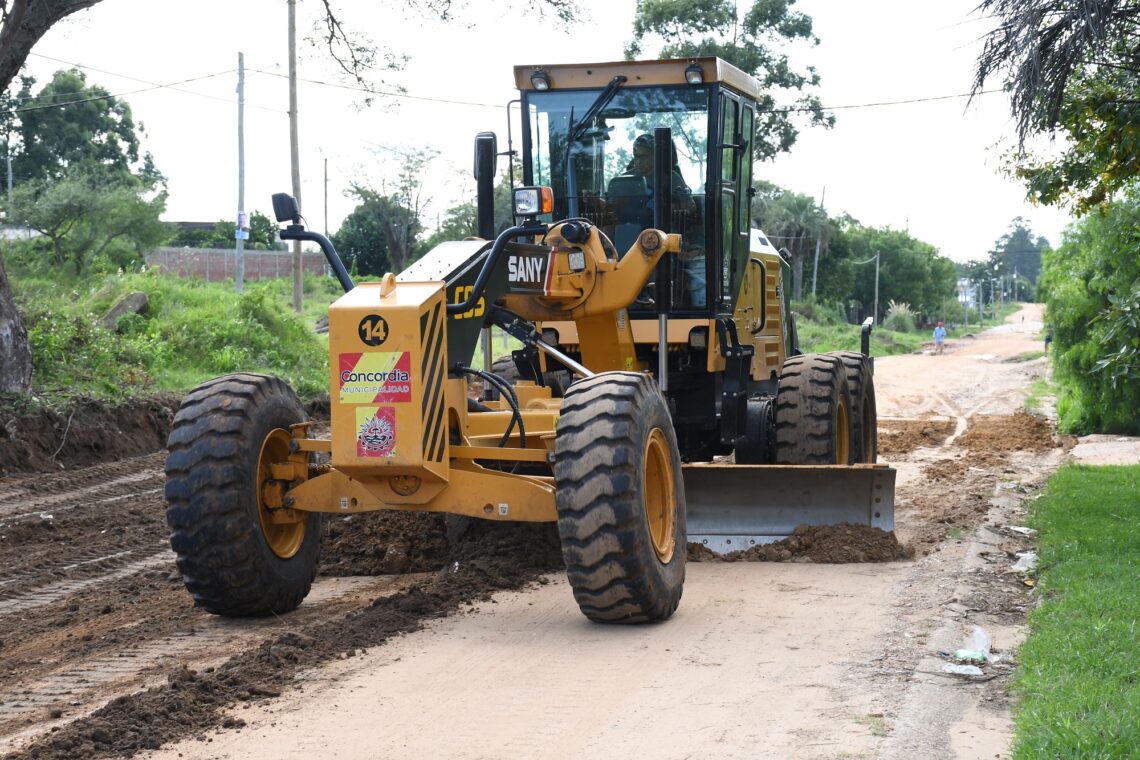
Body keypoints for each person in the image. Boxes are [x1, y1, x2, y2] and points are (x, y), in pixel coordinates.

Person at [617, 133, 703, 307]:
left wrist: (670, 204)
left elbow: (690, 208)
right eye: (636, 157)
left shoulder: (671, 178)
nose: (638, 162)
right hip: (629, 241)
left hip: (665, 239)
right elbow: (612, 212)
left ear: (655, 156)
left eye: (643, 157)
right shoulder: (624, 180)